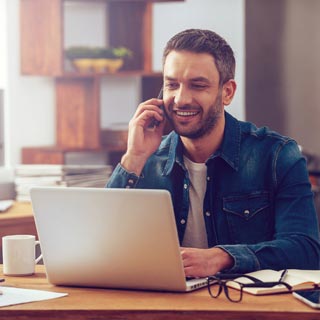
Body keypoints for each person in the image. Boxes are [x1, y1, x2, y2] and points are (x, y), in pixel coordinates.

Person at [107, 29, 320, 277]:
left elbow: (306, 250)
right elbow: (102, 245)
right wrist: (133, 157)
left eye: (197, 86)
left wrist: (222, 258)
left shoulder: (278, 155)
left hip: (243, 308)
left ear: (227, 92)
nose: (180, 99)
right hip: (163, 306)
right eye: (172, 85)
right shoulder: (146, 158)